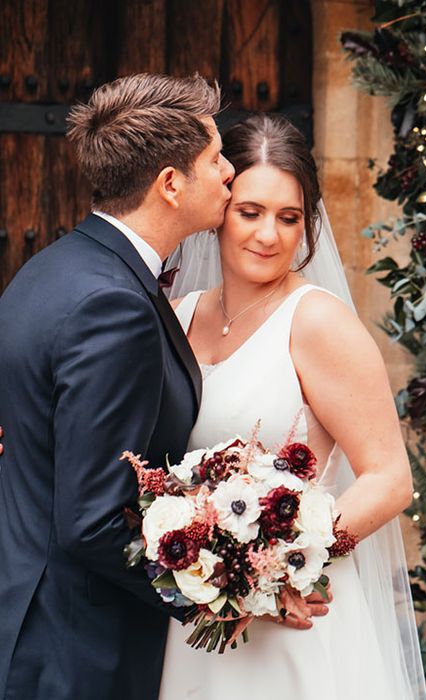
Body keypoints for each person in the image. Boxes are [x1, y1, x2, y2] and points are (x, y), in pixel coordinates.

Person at [160, 113, 426, 699]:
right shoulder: (176, 317)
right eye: (250, 212)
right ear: (218, 213)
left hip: (293, 618)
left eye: (289, 218)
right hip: (199, 620)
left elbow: (389, 479)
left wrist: (280, 568)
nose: (269, 235)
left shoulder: (318, 322)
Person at [0, 73, 236, 700]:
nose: (229, 171)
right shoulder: (114, 304)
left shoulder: (50, 268)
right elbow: (93, 519)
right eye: (215, 159)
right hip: (76, 652)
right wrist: (210, 595)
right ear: (170, 183)